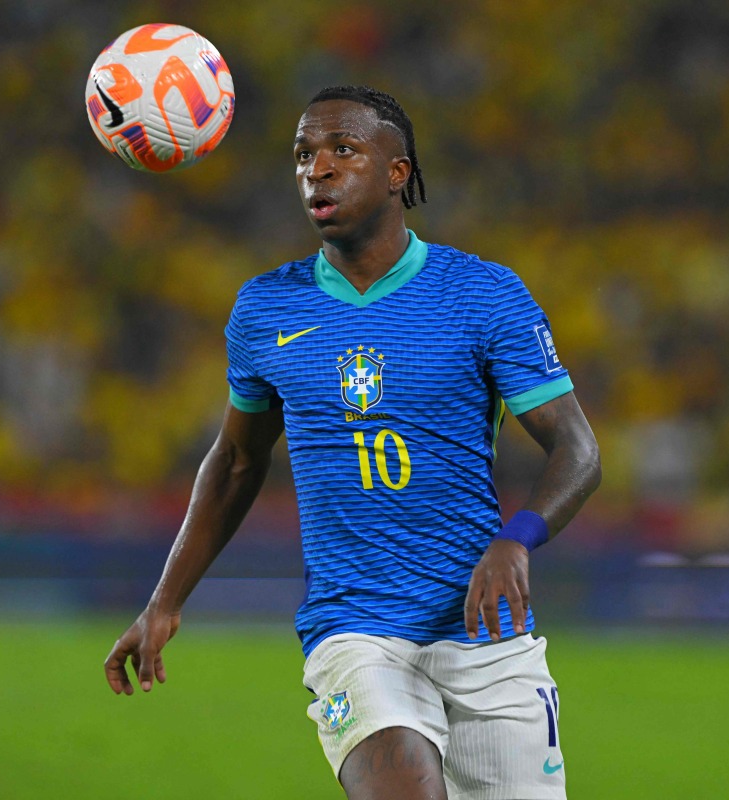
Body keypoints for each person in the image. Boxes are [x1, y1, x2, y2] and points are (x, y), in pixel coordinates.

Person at [104, 85, 601, 800]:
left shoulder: (482, 295)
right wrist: (165, 599)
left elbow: (578, 451)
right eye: (304, 154)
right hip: (355, 629)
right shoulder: (266, 308)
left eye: (344, 150)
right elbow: (238, 460)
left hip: (485, 634)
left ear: (398, 173)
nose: (318, 170)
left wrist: (516, 538)